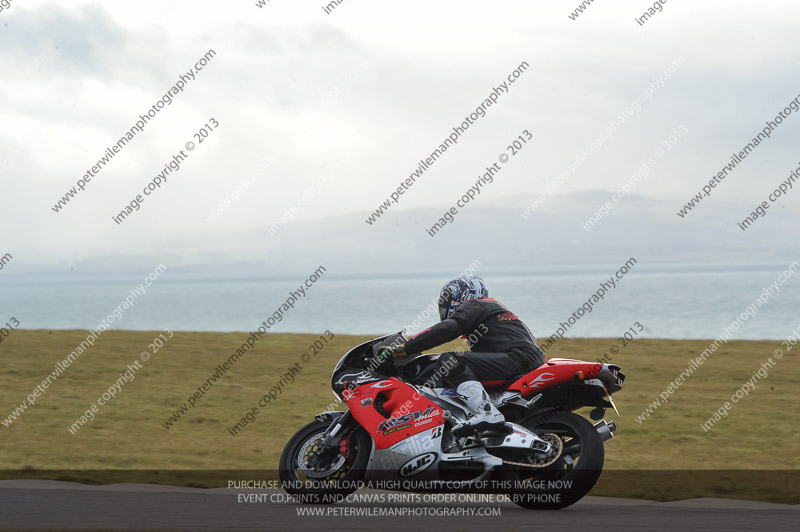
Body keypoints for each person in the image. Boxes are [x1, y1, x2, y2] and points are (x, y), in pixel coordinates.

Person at [376, 274, 546, 433]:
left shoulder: (477, 304)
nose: (444, 305)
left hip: (517, 358)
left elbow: (447, 329)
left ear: (462, 294)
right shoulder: (494, 311)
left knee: (450, 360)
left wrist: (404, 349)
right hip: (527, 361)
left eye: (447, 299)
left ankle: (486, 412)